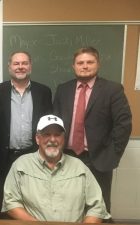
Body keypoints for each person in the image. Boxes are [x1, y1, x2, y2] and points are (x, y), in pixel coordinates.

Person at [53, 46, 132, 213]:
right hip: (67, 157)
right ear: (73, 66)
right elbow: (56, 122)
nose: (85, 66)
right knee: (68, 203)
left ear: (98, 64)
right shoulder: (63, 89)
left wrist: (112, 154)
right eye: (80, 62)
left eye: (90, 62)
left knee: (99, 206)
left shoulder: (112, 89)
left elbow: (123, 124)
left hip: (98, 159)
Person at [2, 114, 111, 223]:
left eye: (57, 134)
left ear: (63, 139)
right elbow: (10, 203)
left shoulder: (79, 167)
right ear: (37, 138)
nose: (52, 139)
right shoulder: (21, 165)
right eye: (47, 134)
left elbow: (97, 208)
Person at [0, 51, 52, 218]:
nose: (20, 67)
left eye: (24, 63)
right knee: (2, 199)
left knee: (33, 198)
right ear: (9, 67)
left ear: (30, 66)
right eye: (16, 63)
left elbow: (48, 123)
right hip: (5, 155)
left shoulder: (44, 91)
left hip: (34, 155)